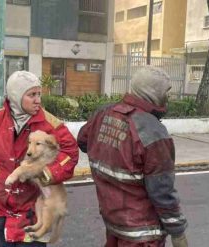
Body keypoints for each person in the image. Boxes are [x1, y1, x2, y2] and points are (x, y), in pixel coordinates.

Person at [0, 71, 79, 247]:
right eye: (32, 95)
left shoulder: (50, 124)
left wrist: (45, 173)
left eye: (39, 94)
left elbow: (70, 153)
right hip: (1, 212)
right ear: (16, 96)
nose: (38, 100)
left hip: (34, 212)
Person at [77, 66, 188, 247]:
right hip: (143, 234)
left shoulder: (102, 113)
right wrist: (178, 233)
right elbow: (162, 192)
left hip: (113, 221)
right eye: (166, 92)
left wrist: (112, 152)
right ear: (152, 93)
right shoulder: (153, 132)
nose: (168, 96)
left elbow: (83, 141)